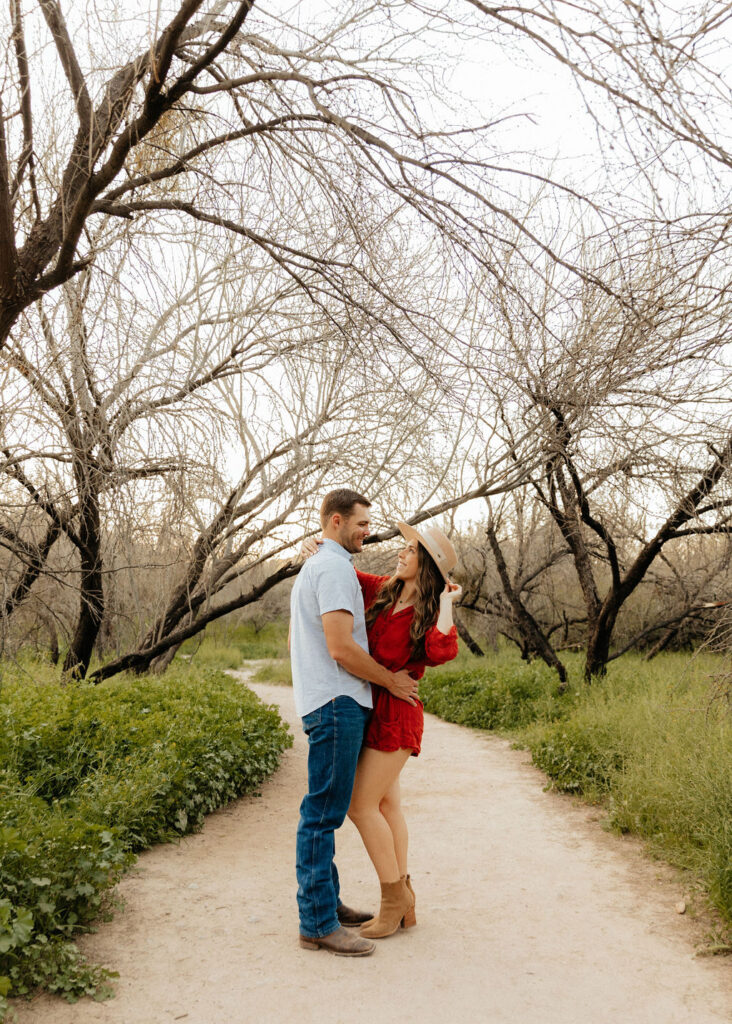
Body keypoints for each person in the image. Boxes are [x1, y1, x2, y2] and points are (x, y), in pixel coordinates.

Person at [301, 519, 461, 939]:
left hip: (397, 713)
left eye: (410, 551)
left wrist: (447, 603)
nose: (401, 553)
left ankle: (394, 901)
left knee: (359, 806)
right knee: (388, 807)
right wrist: (320, 546)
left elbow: (442, 652)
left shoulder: (427, 613)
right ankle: (405, 899)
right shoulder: (382, 591)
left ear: (424, 565)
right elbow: (341, 574)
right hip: (372, 708)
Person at [290, 488, 420, 957]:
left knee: (326, 811)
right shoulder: (333, 569)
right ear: (335, 523)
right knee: (322, 815)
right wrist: (390, 681)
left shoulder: (326, 565)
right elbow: (341, 648)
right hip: (335, 703)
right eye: (361, 523)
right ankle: (318, 923)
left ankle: (329, 903)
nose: (369, 531)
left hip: (331, 702)